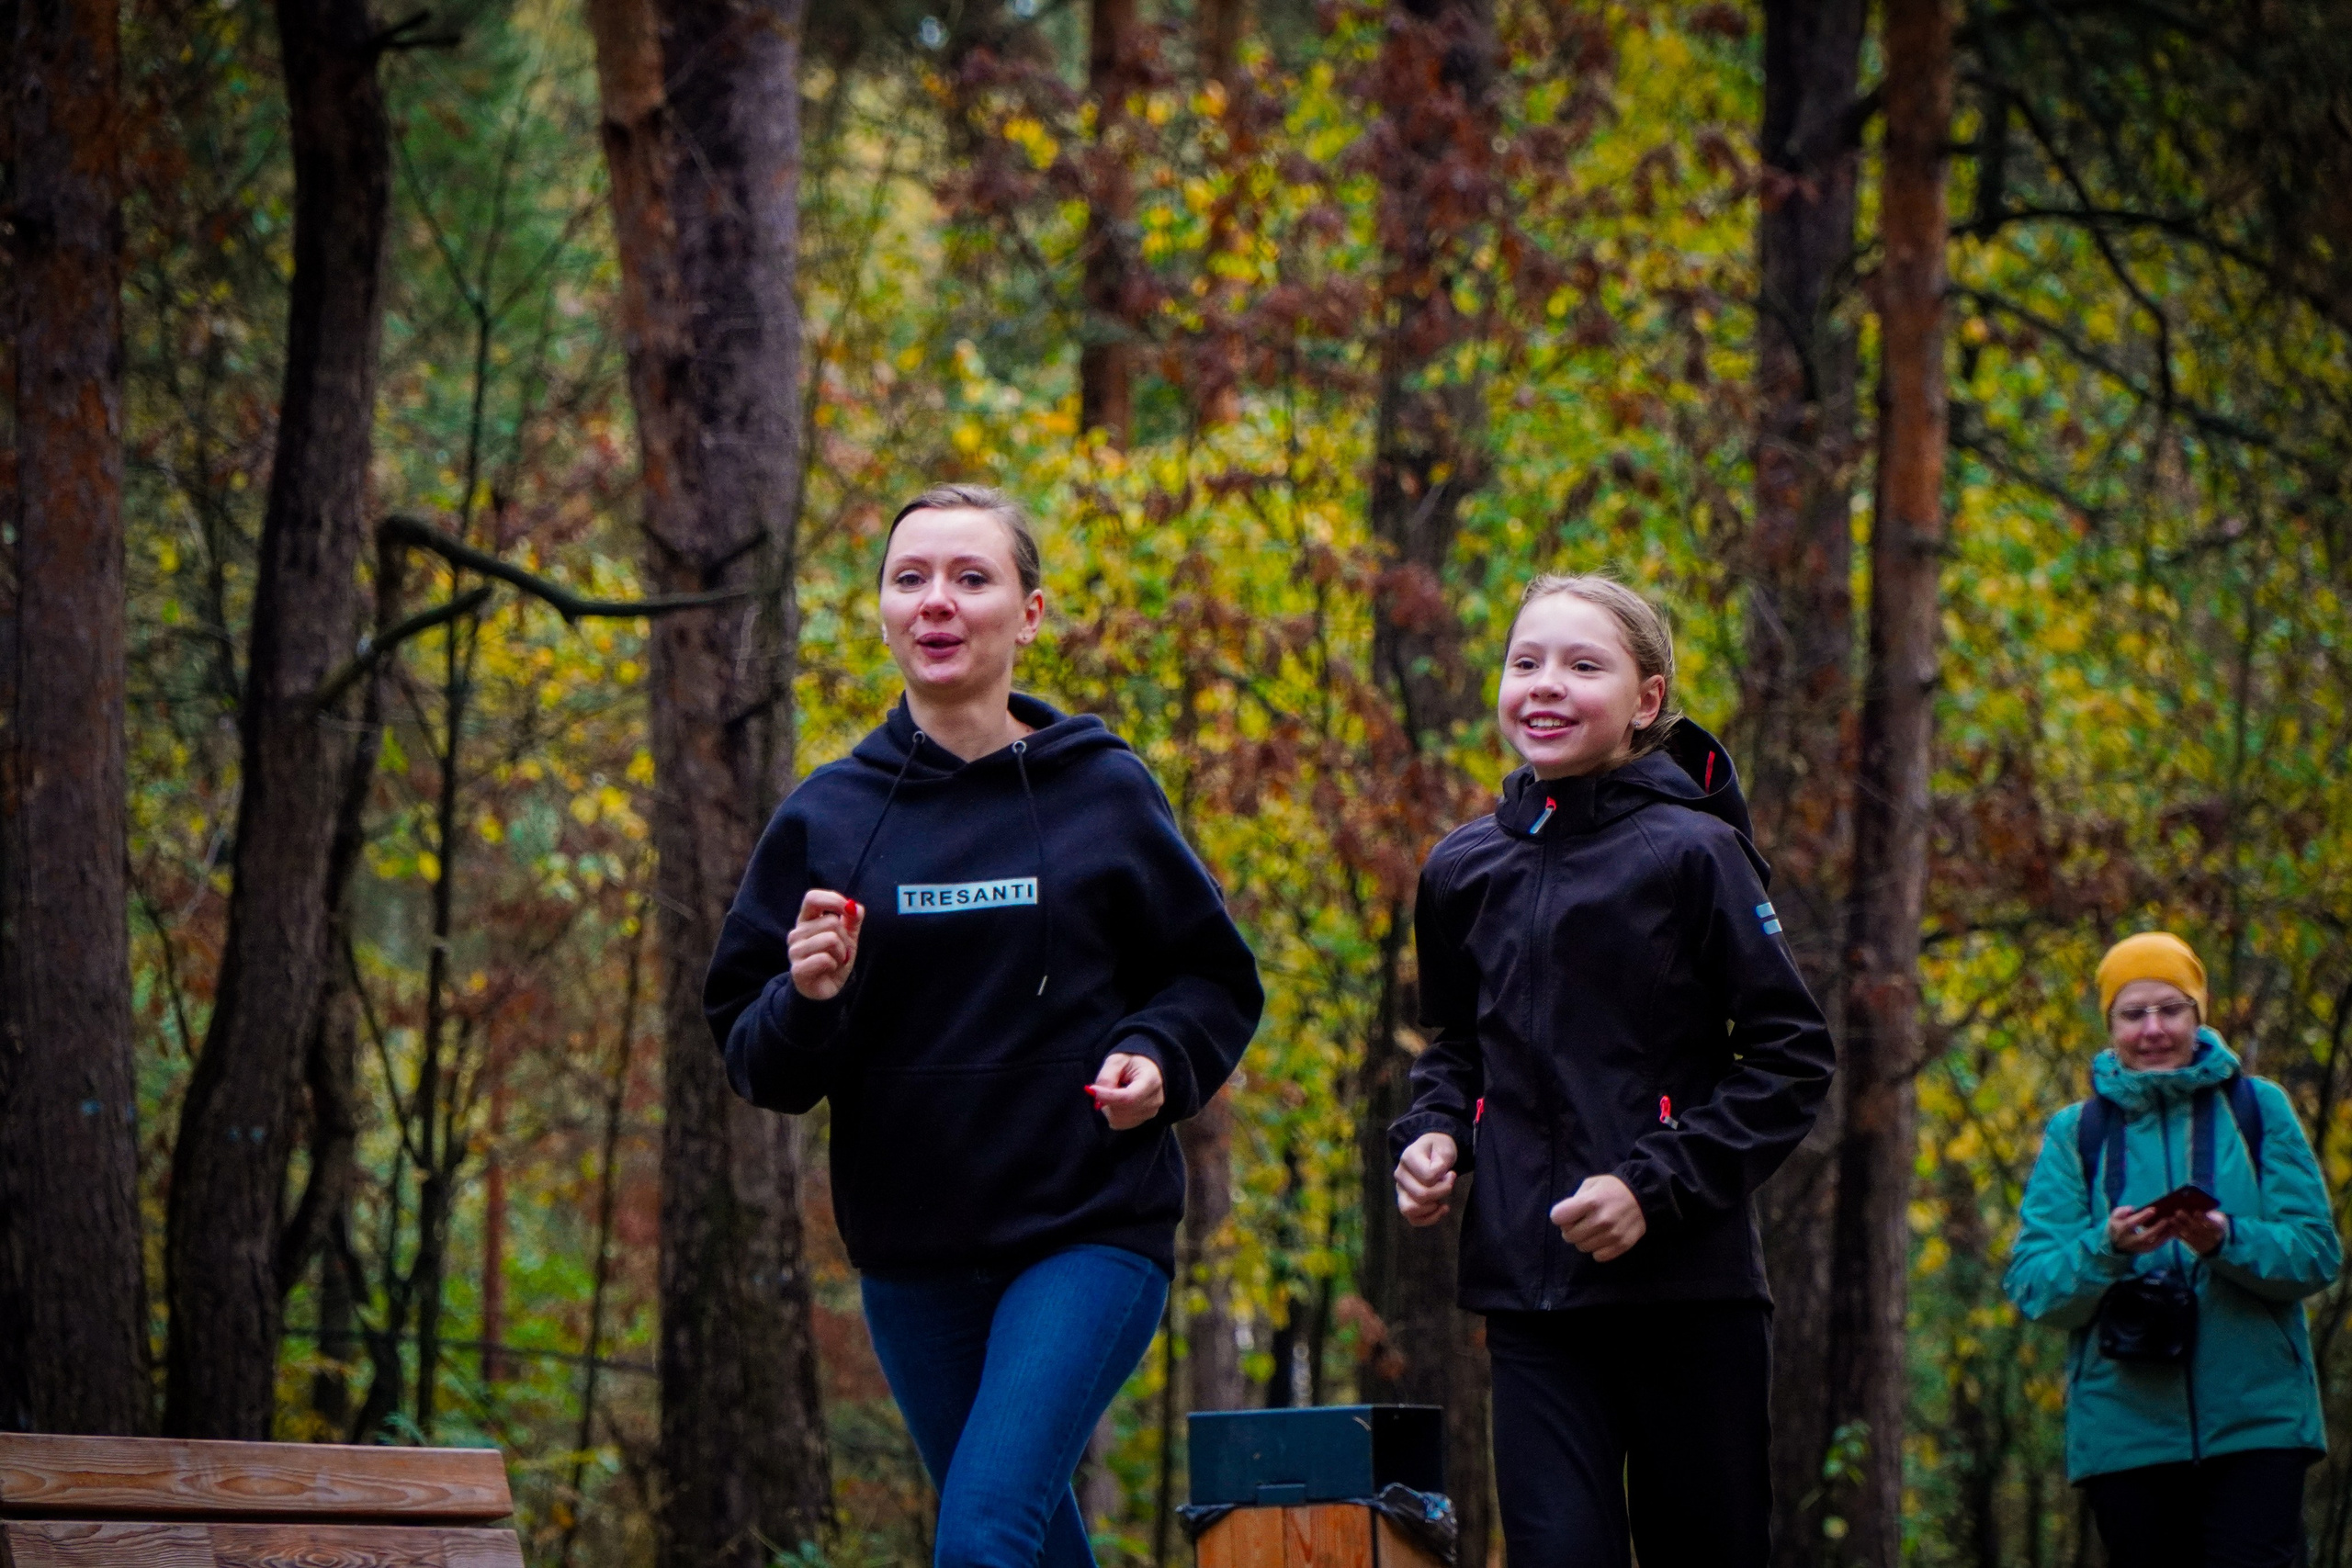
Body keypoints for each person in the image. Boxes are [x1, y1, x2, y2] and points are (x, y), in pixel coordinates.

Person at [705, 484, 1263, 1568]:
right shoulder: (828, 816)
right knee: (1028, 1538)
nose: (936, 603)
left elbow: (1212, 979)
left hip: (1085, 1225)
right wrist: (806, 997)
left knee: (984, 1529)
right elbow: (755, 1056)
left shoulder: (1103, 792)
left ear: (1031, 612)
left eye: (971, 578)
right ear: (881, 610)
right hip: (913, 1249)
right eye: (910, 579)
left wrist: (1156, 1060)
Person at [1388, 573, 1836, 1568]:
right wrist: (1432, 1135)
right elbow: (1456, 1048)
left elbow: (1790, 1056)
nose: (1544, 685)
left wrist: (1651, 1186)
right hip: (1528, 1298)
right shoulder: (1460, 869)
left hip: (1689, 1296)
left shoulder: (1696, 853)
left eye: (1582, 665)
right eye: (1524, 662)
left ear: (1645, 700)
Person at [2004, 932, 2339, 1567]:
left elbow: (2317, 1254)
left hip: (2258, 1428)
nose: (2153, 1029)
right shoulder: (2077, 1132)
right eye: (2134, 1014)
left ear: (2198, 1014)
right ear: (2110, 1025)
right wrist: (2106, 1248)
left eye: (2171, 1009)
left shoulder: (2258, 1109)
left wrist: (2226, 1239)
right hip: (2126, 1438)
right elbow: (2035, 1285)